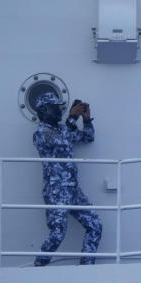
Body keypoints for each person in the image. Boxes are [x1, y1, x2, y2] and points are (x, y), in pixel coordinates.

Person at [31, 94, 102, 266]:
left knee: (95, 225)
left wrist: (86, 120)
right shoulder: (40, 133)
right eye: (55, 107)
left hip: (73, 190)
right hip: (56, 191)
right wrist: (72, 118)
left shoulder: (63, 129)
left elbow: (87, 137)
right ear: (44, 110)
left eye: (60, 107)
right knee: (58, 233)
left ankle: (86, 266)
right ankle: (39, 266)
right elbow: (61, 142)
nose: (59, 110)